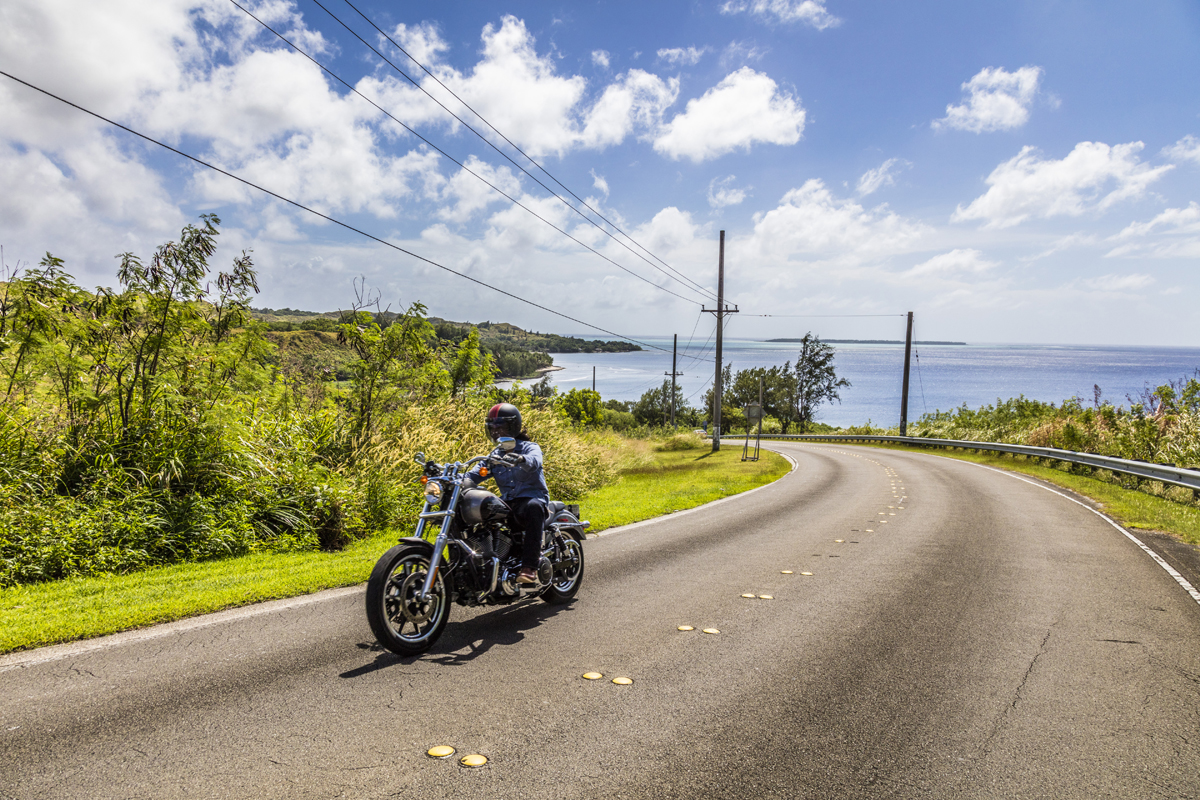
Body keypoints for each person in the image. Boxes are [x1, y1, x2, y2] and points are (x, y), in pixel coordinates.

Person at [464, 402, 549, 585]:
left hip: (531, 499)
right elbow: (475, 475)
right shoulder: (494, 455)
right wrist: (455, 481)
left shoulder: (529, 447)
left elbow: (535, 461)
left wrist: (520, 459)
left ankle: (529, 568)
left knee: (533, 507)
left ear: (513, 427)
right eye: (492, 427)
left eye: (500, 426)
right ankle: (482, 563)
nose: (496, 431)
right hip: (509, 503)